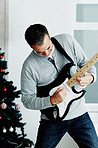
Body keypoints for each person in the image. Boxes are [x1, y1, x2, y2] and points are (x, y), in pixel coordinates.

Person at [21, 24, 98, 148]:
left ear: (49, 36)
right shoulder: (29, 66)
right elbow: (27, 100)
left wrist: (91, 78)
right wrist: (51, 101)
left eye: (49, 48)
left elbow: (87, 64)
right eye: (40, 52)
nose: (46, 54)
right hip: (52, 120)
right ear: (31, 47)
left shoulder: (67, 41)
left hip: (79, 115)